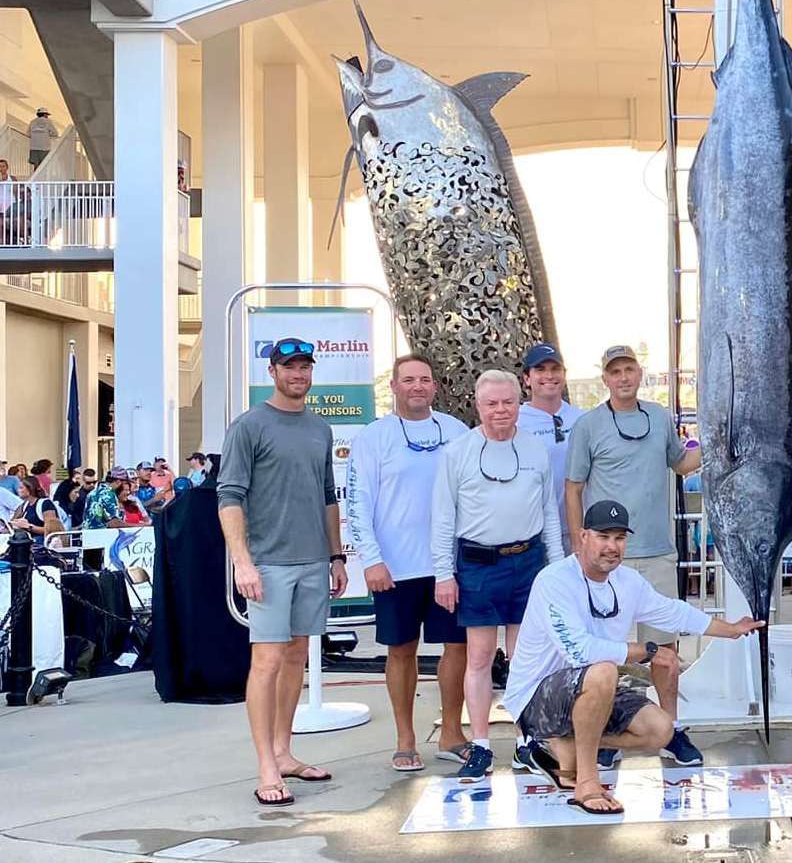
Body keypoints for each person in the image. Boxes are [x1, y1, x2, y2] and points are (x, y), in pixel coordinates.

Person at [505, 500, 764, 815]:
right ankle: (587, 782)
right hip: (537, 700)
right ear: (583, 536)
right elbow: (579, 651)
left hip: (590, 689)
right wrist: (647, 652)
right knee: (603, 671)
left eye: (619, 538)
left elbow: (673, 612)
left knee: (660, 729)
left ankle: (569, 748)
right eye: (603, 537)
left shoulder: (627, 581)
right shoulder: (553, 580)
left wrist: (732, 629)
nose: (612, 546)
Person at [217, 338, 346, 808]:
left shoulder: (319, 428)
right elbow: (228, 496)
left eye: (305, 366)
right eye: (289, 366)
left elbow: (328, 495)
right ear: (271, 371)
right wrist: (242, 561)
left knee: (296, 658)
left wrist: (336, 556)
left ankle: (284, 751)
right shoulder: (249, 426)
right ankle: (265, 767)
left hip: (313, 560)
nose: (298, 374)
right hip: (267, 563)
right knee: (266, 661)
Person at [564, 344, 702, 762]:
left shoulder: (660, 418)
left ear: (639, 373)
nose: (623, 378)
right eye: (614, 372)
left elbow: (682, 464)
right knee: (605, 652)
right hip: (605, 556)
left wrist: (719, 439)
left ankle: (671, 729)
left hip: (657, 550)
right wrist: (579, 542)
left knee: (663, 649)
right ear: (604, 379)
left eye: (629, 370)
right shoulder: (588, 426)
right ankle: (608, 731)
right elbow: (573, 488)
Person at [431, 369, 565, 782]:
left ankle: (528, 742)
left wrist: (557, 569)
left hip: (528, 561)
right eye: (491, 404)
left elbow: (548, 513)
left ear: (518, 403)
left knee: (527, 658)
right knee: (479, 658)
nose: (500, 411)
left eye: (507, 402)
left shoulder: (535, 450)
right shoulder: (458, 452)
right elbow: (442, 518)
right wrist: (443, 574)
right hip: (478, 564)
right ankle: (483, 745)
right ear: (478, 405)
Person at [347, 354, 471, 773]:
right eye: (408, 380)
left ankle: (453, 732)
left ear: (434, 387)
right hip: (395, 567)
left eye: (425, 380)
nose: (417, 386)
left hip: (448, 566)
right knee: (401, 650)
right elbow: (358, 502)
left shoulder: (456, 432)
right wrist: (372, 560)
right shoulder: (373, 437)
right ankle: (405, 738)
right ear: (394, 387)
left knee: (458, 647)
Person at [516, 343, 583, 551]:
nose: (549, 375)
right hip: (535, 535)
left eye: (555, 369)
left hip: (579, 530)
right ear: (527, 378)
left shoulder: (583, 419)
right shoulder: (515, 421)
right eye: (540, 369)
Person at [8, 476, 65, 548]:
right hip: (28, 542)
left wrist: (29, 526)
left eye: (21, 488)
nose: (18, 490)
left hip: (41, 544)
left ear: (30, 489)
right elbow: (13, 520)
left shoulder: (45, 504)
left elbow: (51, 530)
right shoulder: (24, 505)